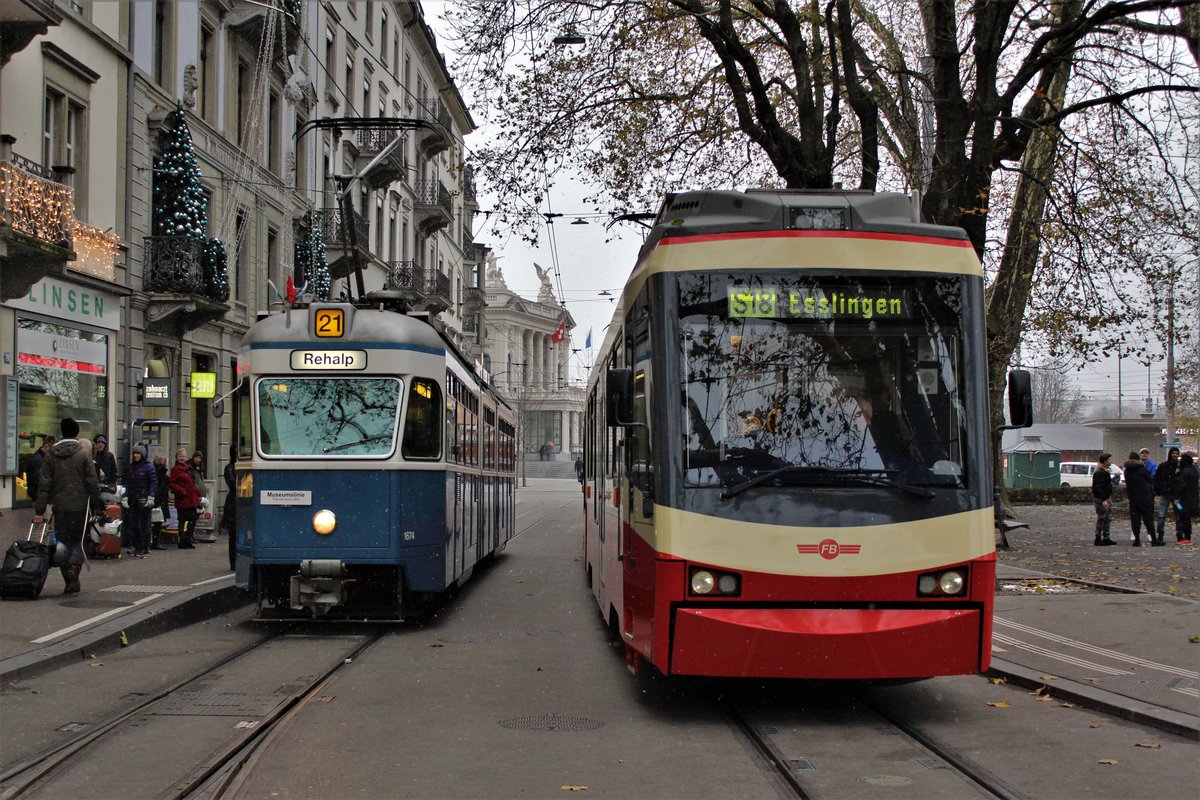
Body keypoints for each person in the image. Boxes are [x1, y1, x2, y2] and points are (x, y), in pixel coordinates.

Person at [32, 418, 105, 594]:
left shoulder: (51, 455)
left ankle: (67, 576)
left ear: (62, 431)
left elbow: (44, 485)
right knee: (79, 541)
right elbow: (91, 481)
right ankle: (75, 569)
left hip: (60, 506)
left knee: (63, 542)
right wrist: (97, 502)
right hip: (80, 506)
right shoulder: (83, 454)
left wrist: (40, 510)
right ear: (77, 432)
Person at [125, 444, 157, 558]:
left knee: (144, 525)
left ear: (142, 455)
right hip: (134, 499)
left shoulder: (148, 467)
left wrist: (151, 496)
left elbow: (153, 482)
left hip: (144, 499)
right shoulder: (132, 467)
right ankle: (138, 547)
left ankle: (145, 547)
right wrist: (126, 496)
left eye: (138, 453)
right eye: (134, 453)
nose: (135, 455)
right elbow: (128, 482)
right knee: (134, 525)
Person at [169, 448, 202, 549]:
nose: (182, 458)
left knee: (192, 520)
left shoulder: (188, 468)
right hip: (182, 499)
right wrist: (181, 490)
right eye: (180, 456)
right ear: (177, 458)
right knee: (182, 521)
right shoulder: (175, 469)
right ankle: (182, 540)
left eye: (183, 456)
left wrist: (198, 495)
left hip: (191, 499)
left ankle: (188, 539)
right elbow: (171, 484)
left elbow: (192, 483)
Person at [1123, 451, 1155, 546]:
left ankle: (1137, 540)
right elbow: (1149, 480)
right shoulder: (1142, 469)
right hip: (1145, 497)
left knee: (1135, 520)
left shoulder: (1126, 470)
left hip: (1133, 498)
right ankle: (1154, 539)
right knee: (1148, 519)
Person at [1154, 447, 1182, 544]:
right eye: (1173, 453)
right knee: (1161, 515)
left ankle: (1180, 536)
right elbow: (1157, 479)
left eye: (1176, 453)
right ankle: (1160, 536)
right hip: (1165, 494)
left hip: (1176, 496)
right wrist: (1160, 489)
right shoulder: (1163, 466)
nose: (1174, 455)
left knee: (1179, 514)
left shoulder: (1180, 466)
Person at [1091, 453, 1115, 546]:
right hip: (1101, 498)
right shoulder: (1100, 472)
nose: (1111, 461)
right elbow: (1098, 487)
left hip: (1106, 497)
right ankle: (1098, 538)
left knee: (1107, 518)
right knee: (1102, 518)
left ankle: (1106, 537)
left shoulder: (1104, 471)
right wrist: (1103, 499)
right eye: (1109, 460)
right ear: (1105, 461)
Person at [1173, 453, 1198, 545]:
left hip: (1183, 500)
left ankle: (1185, 537)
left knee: (1183, 517)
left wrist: (1177, 497)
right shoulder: (1194, 470)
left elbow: (1181, 486)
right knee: (1187, 518)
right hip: (1193, 498)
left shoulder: (1185, 472)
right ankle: (1187, 536)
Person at [26, 434, 56, 504]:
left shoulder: (41, 458)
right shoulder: (39, 460)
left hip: (40, 497)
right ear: (47, 447)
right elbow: (39, 481)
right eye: (53, 449)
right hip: (40, 498)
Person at [222, 445, 237, 571]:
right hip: (233, 503)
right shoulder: (229, 467)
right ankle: (233, 563)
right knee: (233, 535)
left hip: (240, 502)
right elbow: (232, 483)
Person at [152, 453, 170, 549]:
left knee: (158, 521)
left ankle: (156, 540)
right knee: (157, 521)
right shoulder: (159, 472)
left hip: (160, 498)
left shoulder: (160, 472)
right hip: (158, 499)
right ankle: (155, 541)